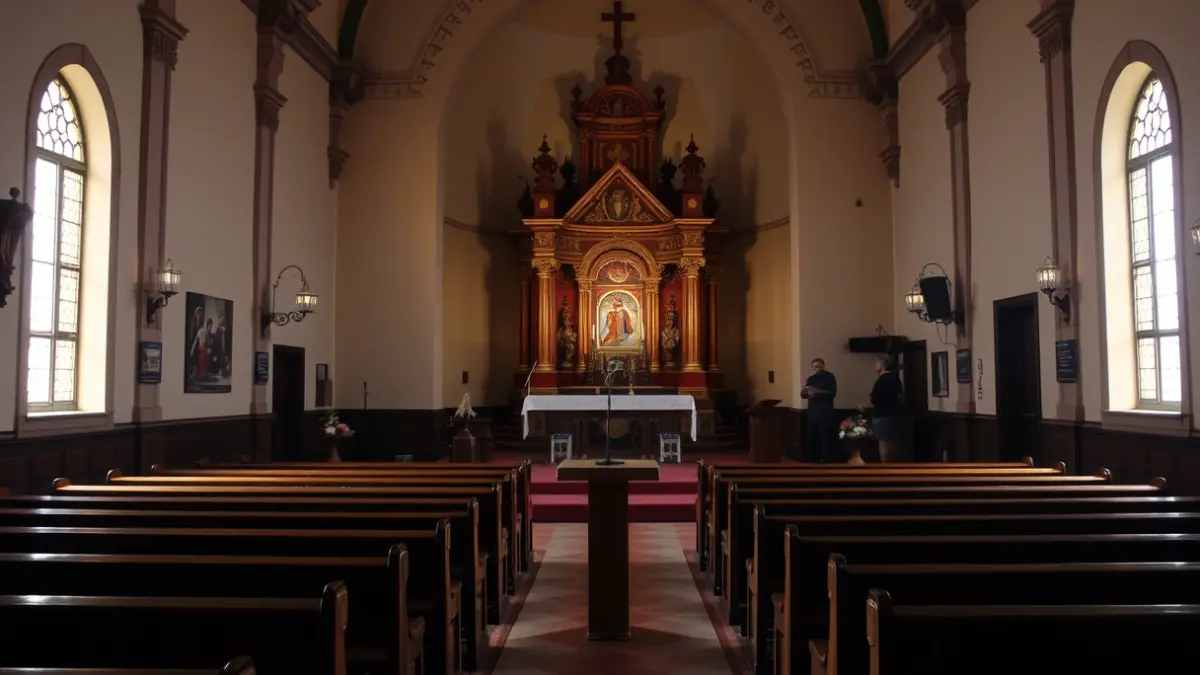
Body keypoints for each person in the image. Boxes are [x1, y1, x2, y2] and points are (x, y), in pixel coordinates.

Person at [868, 355, 904, 462]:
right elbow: (899, 395)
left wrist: (871, 401)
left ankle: (884, 466)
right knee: (892, 443)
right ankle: (892, 466)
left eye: (876, 364)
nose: (875, 366)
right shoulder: (896, 379)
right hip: (894, 414)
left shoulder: (882, 380)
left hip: (882, 414)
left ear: (882, 365)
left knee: (883, 443)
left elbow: (876, 398)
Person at [802, 358, 838, 462]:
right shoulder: (811, 378)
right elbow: (804, 394)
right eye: (813, 367)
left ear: (823, 366)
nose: (815, 369)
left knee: (825, 438)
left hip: (824, 412)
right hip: (813, 413)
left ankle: (826, 460)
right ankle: (814, 459)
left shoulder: (829, 377)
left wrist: (817, 392)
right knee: (813, 437)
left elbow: (832, 392)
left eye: (817, 366)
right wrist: (804, 391)